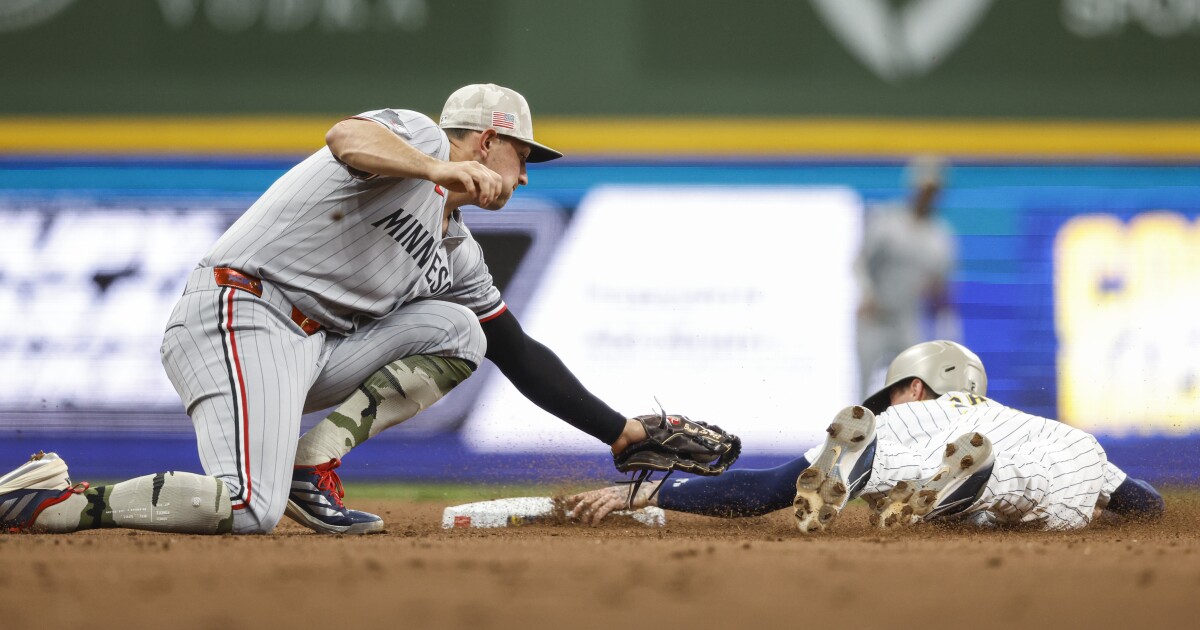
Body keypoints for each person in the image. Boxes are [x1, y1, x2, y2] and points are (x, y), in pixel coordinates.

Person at [1, 84, 654, 536]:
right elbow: (346, 136)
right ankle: (50, 499)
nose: (527, 173)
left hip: (309, 350)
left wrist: (621, 433)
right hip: (239, 311)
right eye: (524, 155)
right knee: (250, 508)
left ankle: (311, 465)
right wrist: (436, 168)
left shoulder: (457, 249)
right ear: (486, 141)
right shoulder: (420, 139)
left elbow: (518, 352)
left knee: (461, 331)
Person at [568, 341, 1165, 532]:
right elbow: (1145, 503)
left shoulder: (907, 414)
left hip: (940, 454)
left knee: (978, 492)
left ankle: (952, 480)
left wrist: (650, 493)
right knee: (1035, 491)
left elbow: (769, 491)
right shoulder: (1042, 423)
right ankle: (969, 483)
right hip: (1073, 460)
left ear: (913, 385)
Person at [856, 156, 958, 401]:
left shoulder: (939, 236)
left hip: (907, 317)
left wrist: (946, 327)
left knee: (916, 383)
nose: (928, 195)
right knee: (865, 386)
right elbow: (860, 262)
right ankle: (860, 433)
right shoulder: (889, 222)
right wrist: (867, 293)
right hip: (876, 317)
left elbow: (940, 288)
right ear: (914, 187)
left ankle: (907, 435)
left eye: (933, 190)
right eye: (924, 188)